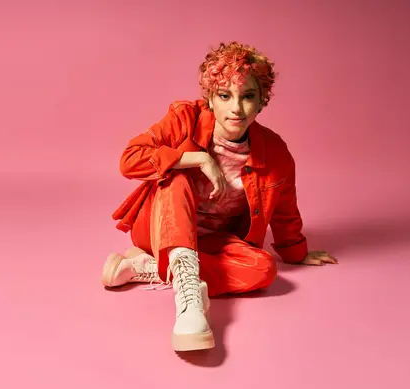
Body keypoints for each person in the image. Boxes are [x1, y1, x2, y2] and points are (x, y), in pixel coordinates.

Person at [101, 41, 338, 352]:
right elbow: (129, 159)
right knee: (177, 178)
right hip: (157, 228)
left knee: (263, 269)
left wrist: (296, 251)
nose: (236, 109)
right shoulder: (185, 118)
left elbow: (284, 208)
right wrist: (196, 159)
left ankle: (147, 268)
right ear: (210, 99)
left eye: (247, 97)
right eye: (225, 96)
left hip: (213, 242)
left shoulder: (275, 152)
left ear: (262, 100)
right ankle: (189, 303)